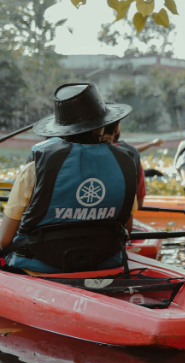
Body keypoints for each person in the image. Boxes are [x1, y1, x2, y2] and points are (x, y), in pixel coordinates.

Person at [0, 83, 139, 274]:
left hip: (38, 266)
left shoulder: (34, 169)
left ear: (60, 130)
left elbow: (4, 241)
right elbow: (127, 230)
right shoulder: (126, 164)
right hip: (104, 262)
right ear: (103, 125)